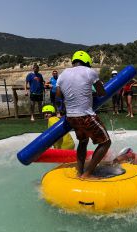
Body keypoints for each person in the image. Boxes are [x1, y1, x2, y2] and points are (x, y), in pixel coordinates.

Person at [56, 50, 111, 179]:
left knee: (83, 142)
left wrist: (61, 111)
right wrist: (91, 94)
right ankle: (87, 174)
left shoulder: (63, 74)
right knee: (105, 142)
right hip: (86, 115)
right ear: (87, 62)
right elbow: (102, 92)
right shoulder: (89, 72)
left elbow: (58, 98)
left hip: (71, 117)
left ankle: (79, 172)